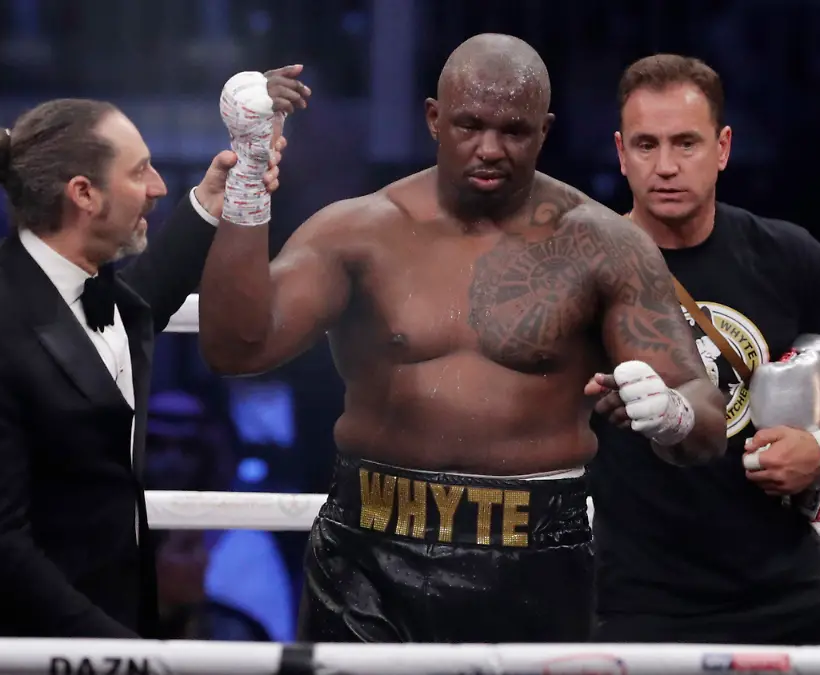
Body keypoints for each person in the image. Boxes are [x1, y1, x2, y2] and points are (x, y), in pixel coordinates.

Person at [198, 36, 728, 643]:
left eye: (514, 131)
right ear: (432, 118)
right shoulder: (360, 232)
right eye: (469, 125)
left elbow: (706, 414)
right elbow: (235, 348)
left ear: (545, 130)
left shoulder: (602, 245)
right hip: (367, 553)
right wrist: (246, 173)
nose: (490, 149)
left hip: (536, 552)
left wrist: (673, 412)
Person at [0, 88, 293, 637]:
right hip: (3, 641)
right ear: (83, 194)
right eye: (140, 171)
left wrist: (211, 201)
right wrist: (115, 649)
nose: (158, 188)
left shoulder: (77, 288)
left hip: (86, 617)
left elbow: (137, 307)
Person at [587, 54, 820, 645]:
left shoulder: (784, 255)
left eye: (686, 143)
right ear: (620, 151)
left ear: (723, 147)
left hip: (784, 595)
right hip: (637, 605)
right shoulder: (584, 269)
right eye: (646, 145)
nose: (665, 166)